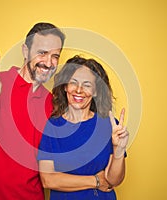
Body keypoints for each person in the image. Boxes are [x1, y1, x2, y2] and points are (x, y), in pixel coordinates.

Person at [0, 22, 66, 200]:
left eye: (55, 56)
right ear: (25, 51)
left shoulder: (53, 104)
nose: (49, 62)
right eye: (42, 52)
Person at [37, 55, 129, 199]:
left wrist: (119, 149)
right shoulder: (53, 127)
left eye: (87, 85)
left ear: (96, 91)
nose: (79, 90)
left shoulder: (109, 126)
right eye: (73, 82)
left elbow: (114, 180)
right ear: (65, 86)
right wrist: (96, 181)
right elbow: (48, 180)